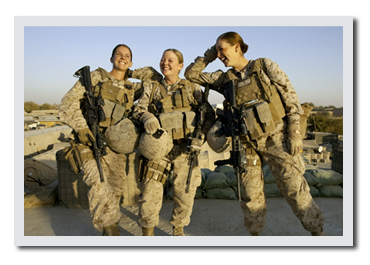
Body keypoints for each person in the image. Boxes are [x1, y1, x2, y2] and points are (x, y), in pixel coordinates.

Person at [184, 32, 326, 236]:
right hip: (246, 145)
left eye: (221, 49)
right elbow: (191, 75)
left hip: (275, 139)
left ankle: (318, 233)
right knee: (250, 196)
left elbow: (290, 96)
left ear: (237, 47)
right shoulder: (224, 78)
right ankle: (255, 237)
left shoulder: (263, 66)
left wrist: (294, 132)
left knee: (294, 189)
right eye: (216, 50)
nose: (219, 54)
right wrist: (208, 57)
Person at [59, 44, 162, 236]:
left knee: (115, 189)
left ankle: (112, 226)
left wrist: (129, 71)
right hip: (90, 142)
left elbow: (155, 77)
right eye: (118, 55)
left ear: (131, 61)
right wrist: (81, 128)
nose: (122, 58)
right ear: (111, 58)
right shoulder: (95, 78)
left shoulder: (131, 88)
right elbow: (67, 103)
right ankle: (110, 231)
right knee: (98, 183)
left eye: (127, 56)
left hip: (116, 146)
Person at [133, 48, 215, 236]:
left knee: (185, 191)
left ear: (180, 66)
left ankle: (178, 228)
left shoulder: (192, 87)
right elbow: (138, 110)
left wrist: (199, 137)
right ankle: (148, 231)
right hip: (158, 148)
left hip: (185, 148)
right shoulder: (152, 88)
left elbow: (208, 114)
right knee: (150, 192)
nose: (165, 63)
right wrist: (146, 117)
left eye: (170, 60)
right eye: (162, 60)